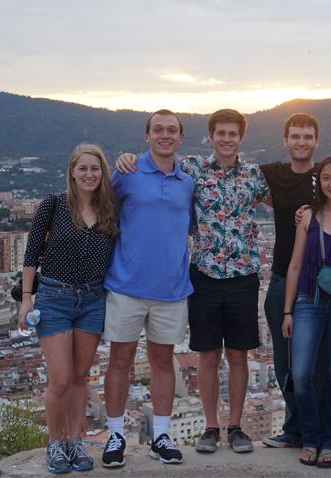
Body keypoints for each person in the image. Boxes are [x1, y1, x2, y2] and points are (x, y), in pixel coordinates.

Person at [102, 110, 194, 467]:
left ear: (181, 138)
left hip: (171, 289)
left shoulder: (188, 182)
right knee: (120, 361)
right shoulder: (127, 173)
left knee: (162, 362)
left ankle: (161, 434)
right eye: (159, 130)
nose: (165, 135)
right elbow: (100, 209)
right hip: (126, 285)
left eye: (172, 130)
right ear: (146, 135)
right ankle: (114, 436)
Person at [19, 143, 118, 474]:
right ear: (72, 173)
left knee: (79, 377)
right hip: (54, 298)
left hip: (92, 300)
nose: (89, 174)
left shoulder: (110, 210)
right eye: (83, 169)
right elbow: (32, 253)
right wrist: (26, 299)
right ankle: (55, 443)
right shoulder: (54, 205)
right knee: (59, 379)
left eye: (95, 168)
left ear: (102, 173)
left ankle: (76, 442)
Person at [183, 109, 269, 454]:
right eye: (221, 133)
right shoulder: (193, 170)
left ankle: (235, 426)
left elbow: (279, 199)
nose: (226, 139)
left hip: (243, 275)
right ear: (211, 135)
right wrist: (129, 159)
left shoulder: (253, 175)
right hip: (203, 273)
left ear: (241, 137)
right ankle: (210, 426)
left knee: (237, 354)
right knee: (207, 355)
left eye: (233, 134)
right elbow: (157, 168)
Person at [282, 155, 331, 468]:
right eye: (327, 177)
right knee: (301, 374)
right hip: (308, 300)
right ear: (319, 182)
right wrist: (287, 311)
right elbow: (295, 264)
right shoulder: (309, 216)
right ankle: (310, 437)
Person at [261, 113, 323, 449]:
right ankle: (295, 429)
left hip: (321, 282)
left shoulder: (329, 174)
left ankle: (320, 431)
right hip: (282, 278)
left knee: (319, 363)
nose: (301, 142)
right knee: (285, 362)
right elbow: (226, 171)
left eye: (307, 136)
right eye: (295, 136)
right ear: (286, 140)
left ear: (317, 141)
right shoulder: (272, 174)